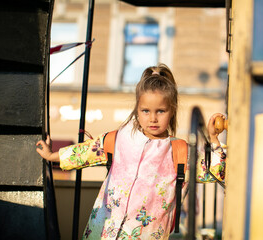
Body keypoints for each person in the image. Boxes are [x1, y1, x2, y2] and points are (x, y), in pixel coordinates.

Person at [36, 63, 226, 240]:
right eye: (145, 111)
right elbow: (87, 151)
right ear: (137, 109)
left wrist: (214, 139)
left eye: (160, 111)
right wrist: (53, 155)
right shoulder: (119, 139)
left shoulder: (179, 152)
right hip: (102, 232)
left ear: (172, 111)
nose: (152, 118)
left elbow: (218, 170)